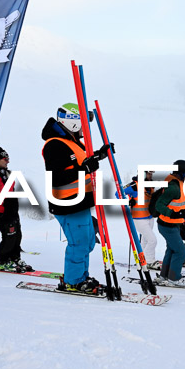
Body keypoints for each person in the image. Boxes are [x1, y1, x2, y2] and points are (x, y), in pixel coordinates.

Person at [42, 103, 111, 293]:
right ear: (72, 123)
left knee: (88, 242)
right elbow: (58, 177)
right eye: (82, 124)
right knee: (79, 243)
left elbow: (82, 164)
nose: (84, 129)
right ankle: (74, 281)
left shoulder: (72, 142)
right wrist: (86, 169)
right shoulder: (55, 144)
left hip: (81, 202)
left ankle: (82, 276)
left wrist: (99, 155)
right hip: (68, 203)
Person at [0, 147, 32, 272]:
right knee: (9, 235)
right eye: (5, 159)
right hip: (2, 209)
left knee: (17, 235)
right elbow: (2, 191)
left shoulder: (2, 171)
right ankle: (2, 260)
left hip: (10, 207)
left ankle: (14, 258)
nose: (8, 161)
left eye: (8, 158)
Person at [154, 160, 185, 286]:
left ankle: (164, 276)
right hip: (167, 225)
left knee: (171, 249)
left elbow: (180, 205)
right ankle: (174, 278)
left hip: (174, 224)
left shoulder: (180, 184)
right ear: (181, 174)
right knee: (180, 251)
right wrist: (174, 214)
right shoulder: (173, 187)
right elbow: (159, 205)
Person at [124, 170, 160, 269]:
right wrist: (128, 201)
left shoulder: (151, 185)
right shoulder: (133, 185)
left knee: (145, 240)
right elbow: (118, 193)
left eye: (151, 174)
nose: (150, 175)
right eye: (148, 173)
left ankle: (144, 260)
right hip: (138, 218)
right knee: (153, 240)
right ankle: (148, 260)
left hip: (149, 217)